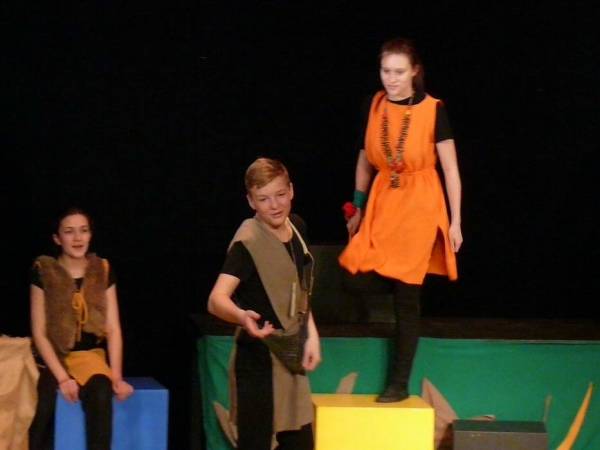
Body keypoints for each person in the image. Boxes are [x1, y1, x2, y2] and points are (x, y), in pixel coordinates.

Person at [339, 37, 463, 403]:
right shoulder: (374, 105)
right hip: (384, 199)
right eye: (385, 71)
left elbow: (451, 170)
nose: (391, 79)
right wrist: (357, 206)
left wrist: (455, 221)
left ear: (414, 72)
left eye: (398, 72)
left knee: (406, 294)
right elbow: (365, 159)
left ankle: (399, 382)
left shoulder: (433, 109)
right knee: (355, 270)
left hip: (420, 202)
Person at [208, 158, 321, 450]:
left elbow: (300, 290)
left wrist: (311, 334)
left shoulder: (297, 227)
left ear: (291, 190)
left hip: (290, 356)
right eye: (264, 199)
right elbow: (216, 300)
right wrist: (241, 316)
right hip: (258, 361)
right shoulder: (248, 242)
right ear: (251, 201)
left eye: (280, 194)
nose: (274, 205)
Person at [29, 208, 133, 450]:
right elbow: (39, 333)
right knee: (44, 401)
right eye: (69, 232)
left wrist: (116, 376)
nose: (77, 238)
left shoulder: (102, 269)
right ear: (57, 238)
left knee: (101, 391)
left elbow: (113, 328)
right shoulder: (44, 270)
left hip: (89, 357)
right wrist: (63, 378)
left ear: (90, 235)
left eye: (83, 231)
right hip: (52, 358)